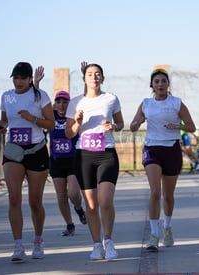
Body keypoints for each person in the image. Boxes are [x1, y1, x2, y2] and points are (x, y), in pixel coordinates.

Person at [130, 68, 196, 251]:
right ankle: (153, 235)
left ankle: (167, 227)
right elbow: (133, 126)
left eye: (163, 81)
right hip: (152, 149)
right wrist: (137, 123)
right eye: (156, 81)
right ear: (152, 85)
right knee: (155, 192)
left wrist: (178, 125)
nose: (160, 84)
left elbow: (191, 126)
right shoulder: (146, 103)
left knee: (168, 195)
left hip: (172, 149)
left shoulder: (176, 103)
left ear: (168, 85)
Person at [65, 62, 124, 260]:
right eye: (90, 74)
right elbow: (68, 133)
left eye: (97, 74)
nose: (94, 77)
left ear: (102, 78)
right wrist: (78, 124)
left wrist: (113, 126)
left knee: (105, 200)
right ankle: (96, 244)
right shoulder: (75, 102)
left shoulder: (111, 99)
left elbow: (121, 123)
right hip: (84, 156)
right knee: (91, 205)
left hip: (106, 153)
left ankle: (109, 241)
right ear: (84, 79)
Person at [0, 62, 55, 263]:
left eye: (22, 78)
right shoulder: (7, 96)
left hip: (36, 150)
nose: (18, 81)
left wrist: (33, 119)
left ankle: (38, 241)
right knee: (13, 198)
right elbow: (5, 120)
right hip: (14, 150)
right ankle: (18, 245)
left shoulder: (40, 96)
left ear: (30, 79)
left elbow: (52, 123)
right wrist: (0, 126)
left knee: (34, 201)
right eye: (15, 78)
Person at [44, 83, 87, 235]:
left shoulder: (73, 116)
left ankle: (78, 208)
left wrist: (85, 80)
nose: (61, 105)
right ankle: (70, 225)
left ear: (69, 105)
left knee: (73, 193)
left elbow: (86, 99)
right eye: (59, 102)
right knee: (61, 194)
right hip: (56, 160)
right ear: (55, 105)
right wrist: (34, 84)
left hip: (73, 159)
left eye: (65, 102)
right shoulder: (50, 117)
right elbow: (35, 103)